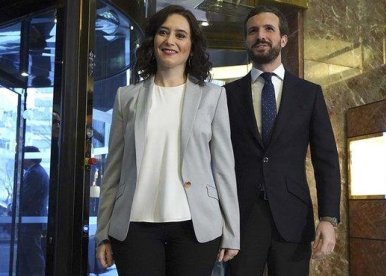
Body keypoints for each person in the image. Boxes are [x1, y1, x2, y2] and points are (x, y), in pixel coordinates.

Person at [95, 5, 239, 276]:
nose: (170, 40)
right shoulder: (126, 97)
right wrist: (103, 232)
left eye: (180, 35)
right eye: (163, 32)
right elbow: (113, 169)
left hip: (194, 227)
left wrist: (232, 231)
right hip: (134, 227)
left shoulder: (212, 97)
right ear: (153, 41)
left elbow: (224, 168)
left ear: (192, 46)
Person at [224, 5, 341, 276]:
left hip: (293, 218)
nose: (260, 35)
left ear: (283, 39)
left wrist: (328, 218)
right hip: (240, 218)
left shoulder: (309, 94)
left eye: (269, 29)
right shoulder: (226, 95)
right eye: (253, 31)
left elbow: (326, 159)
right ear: (246, 40)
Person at [18, 146, 49, 275]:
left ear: (29, 158)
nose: (19, 160)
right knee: (29, 255)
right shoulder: (37, 171)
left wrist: (10, 208)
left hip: (30, 222)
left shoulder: (34, 174)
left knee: (33, 256)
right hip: (33, 221)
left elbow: (25, 198)